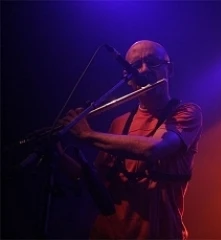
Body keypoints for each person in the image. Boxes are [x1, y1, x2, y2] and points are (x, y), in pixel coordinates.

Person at [57, 40, 203, 239]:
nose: (144, 70)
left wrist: (87, 135)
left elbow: (155, 148)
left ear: (170, 70)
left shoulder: (186, 112)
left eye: (152, 63)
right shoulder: (119, 123)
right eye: (135, 66)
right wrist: (57, 155)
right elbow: (94, 181)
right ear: (127, 78)